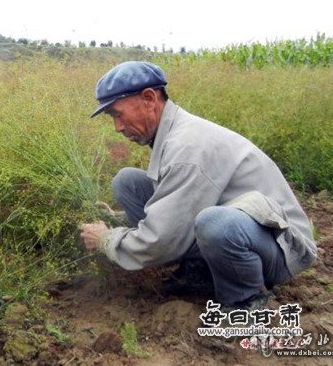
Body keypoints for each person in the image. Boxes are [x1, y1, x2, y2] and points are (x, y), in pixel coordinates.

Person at [80, 61, 317, 310]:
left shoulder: (187, 146)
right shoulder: (172, 133)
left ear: (149, 99)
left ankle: (245, 299)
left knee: (214, 224)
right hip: (246, 227)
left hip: (283, 248)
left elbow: (163, 239)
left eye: (118, 114)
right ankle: (200, 267)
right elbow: (175, 204)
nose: (117, 127)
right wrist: (121, 220)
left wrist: (107, 239)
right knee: (128, 181)